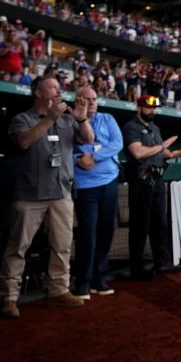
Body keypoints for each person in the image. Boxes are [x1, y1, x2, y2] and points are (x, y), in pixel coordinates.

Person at [0, 76, 95, 317]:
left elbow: (88, 139)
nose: (58, 90)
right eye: (52, 87)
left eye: (59, 87)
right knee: (18, 247)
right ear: (38, 93)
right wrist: (49, 118)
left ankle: (58, 291)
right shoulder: (23, 118)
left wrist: (81, 118)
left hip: (60, 192)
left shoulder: (66, 118)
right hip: (29, 195)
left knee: (62, 246)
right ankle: (8, 297)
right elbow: (23, 142)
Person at [122, 95, 181, 279]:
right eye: (148, 108)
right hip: (141, 179)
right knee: (140, 224)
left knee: (160, 223)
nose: (152, 111)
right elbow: (138, 152)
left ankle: (161, 263)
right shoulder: (131, 127)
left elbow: (159, 150)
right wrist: (162, 146)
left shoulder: (155, 128)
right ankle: (137, 267)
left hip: (157, 178)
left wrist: (169, 153)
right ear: (138, 108)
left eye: (154, 108)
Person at [72, 86, 123, 299]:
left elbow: (117, 143)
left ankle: (99, 278)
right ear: (78, 100)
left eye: (94, 99)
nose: (92, 102)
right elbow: (77, 153)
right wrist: (88, 154)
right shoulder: (69, 120)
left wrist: (94, 155)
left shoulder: (108, 118)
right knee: (87, 233)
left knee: (105, 231)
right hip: (85, 185)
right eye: (87, 99)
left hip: (110, 181)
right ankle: (82, 281)